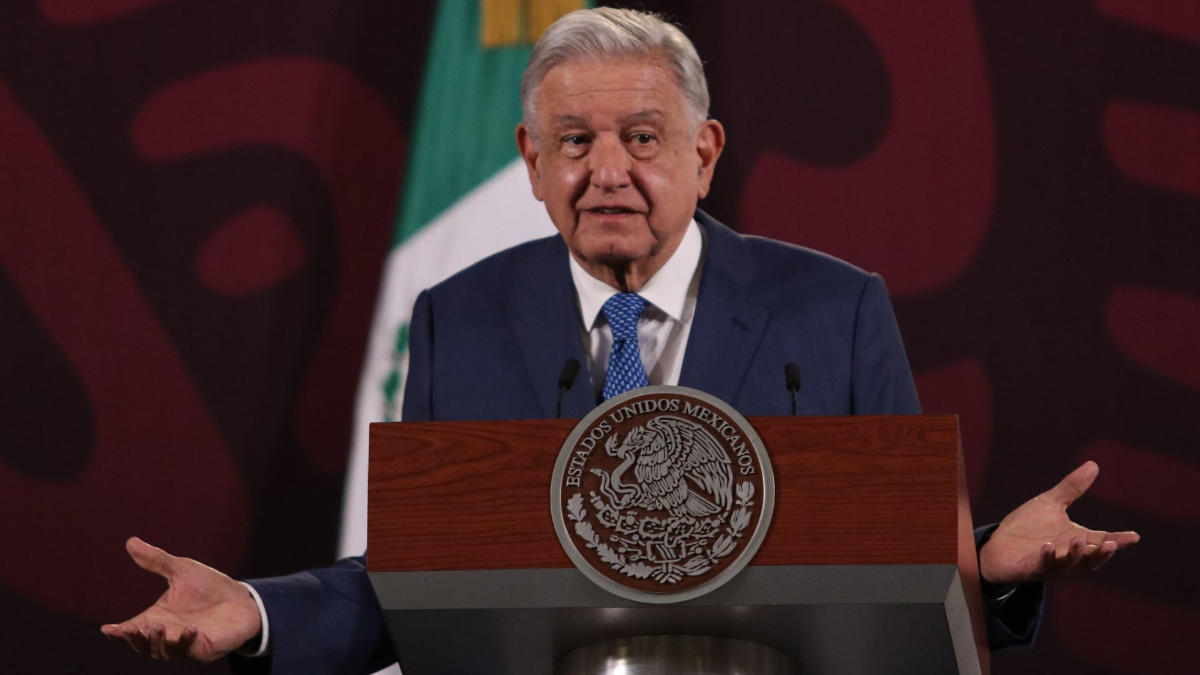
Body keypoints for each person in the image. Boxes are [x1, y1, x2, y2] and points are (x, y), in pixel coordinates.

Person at [102, 8, 1139, 671]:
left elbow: (901, 560)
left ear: (704, 152)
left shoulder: (833, 309)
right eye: (575, 142)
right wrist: (259, 611)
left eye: (642, 138)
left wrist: (987, 565)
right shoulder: (460, 317)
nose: (608, 171)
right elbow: (418, 576)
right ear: (531, 161)